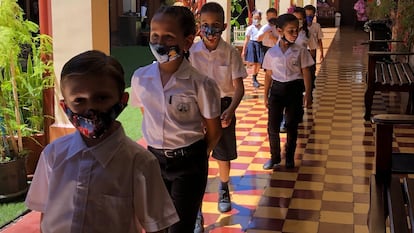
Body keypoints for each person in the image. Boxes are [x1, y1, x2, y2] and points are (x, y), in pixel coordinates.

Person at [25, 50, 179, 233]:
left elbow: (156, 226)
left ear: (122, 100)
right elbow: (46, 214)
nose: (91, 108)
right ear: (64, 106)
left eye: (102, 98)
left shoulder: (140, 163)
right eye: (79, 100)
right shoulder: (53, 155)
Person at [130, 6, 222, 233]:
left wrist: (200, 154)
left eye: (168, 36)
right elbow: (147, 113)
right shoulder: (140, 78)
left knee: (180, 226)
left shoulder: (201, 84)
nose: (159, 42)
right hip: (153, 162)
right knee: (154, 225)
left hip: (188, 163)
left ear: (188, 41)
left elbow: (214, 129)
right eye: (154, 35)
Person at [188, 2, 247, 232]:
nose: (210, 31)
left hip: (223, 107)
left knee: (223, 154)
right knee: (196, 159)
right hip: (197, 108)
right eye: (205, 26)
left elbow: (238, 87)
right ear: (199, 27)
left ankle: (223, 187)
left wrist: (231, 109)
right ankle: (196, 209)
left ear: (223, 26)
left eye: (215, 26)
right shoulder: (190, 53)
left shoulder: (230, 53)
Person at [262, 14, 314, 170]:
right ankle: (275, 157)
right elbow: (268, 75)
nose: (295, 34)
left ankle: (290, 157)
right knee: (272, 126)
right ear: (279, 31)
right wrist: (265, 95)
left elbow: (306, 73)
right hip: (277, 91)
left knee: (291, 125)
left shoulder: (300, 51)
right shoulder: (272, 53)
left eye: (296, 30)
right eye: (291, 31)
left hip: (294, 90)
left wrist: (309, 94)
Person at [242, 10, 263, 89]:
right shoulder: (250, 28)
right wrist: (244, 50)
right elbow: (246, 39)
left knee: (259, 63)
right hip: (252, 44)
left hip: (259, 45)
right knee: (254, 63)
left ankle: (255, 76)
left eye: (257, 18)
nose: (256, 20)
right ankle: (254, 79)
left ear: (260, 18)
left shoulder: (262, 28)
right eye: (254, 18)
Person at [304, 4, 324, 89]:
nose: (309, 17)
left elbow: (319, 40)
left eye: (311, 15)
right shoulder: (301, 27)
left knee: (312, 68)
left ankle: (311, 83)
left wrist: (321, 53)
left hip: (312, 51)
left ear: (314, 15)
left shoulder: (316, 26)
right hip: (303, 51)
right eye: (307, 15)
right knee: (305, 68)